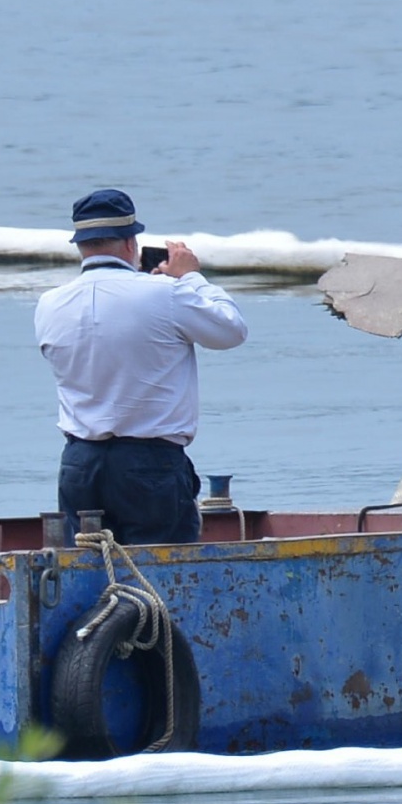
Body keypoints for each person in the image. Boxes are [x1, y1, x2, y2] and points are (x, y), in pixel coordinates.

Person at [35, 189, 249, 545]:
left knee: (89, 569)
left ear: (81, 245)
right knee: (158, 578)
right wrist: (190, 278)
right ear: (130, 243)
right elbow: (231, 330)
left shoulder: (49, 303)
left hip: (79, 461)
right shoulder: (164, 294)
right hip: (149, 461)